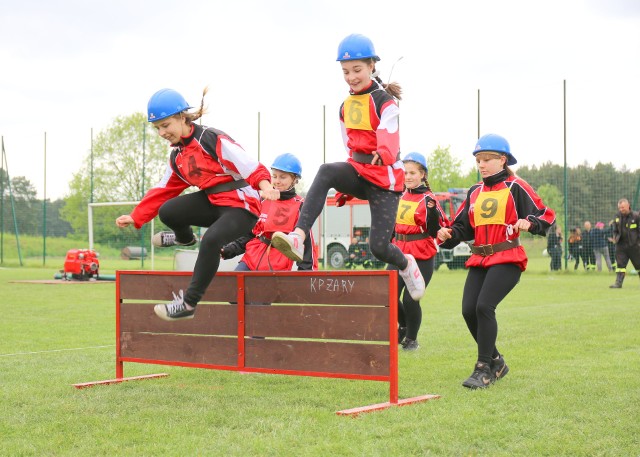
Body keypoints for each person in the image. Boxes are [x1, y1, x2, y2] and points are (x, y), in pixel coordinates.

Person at [269, 33, 426, 301]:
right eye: (345, 71)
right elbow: (350, 149)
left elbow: (389, 134)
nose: (351, 76)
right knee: (327, 170)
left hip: (385, 181)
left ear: (371, 67)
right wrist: (346, 185)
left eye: (357, 70)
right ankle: (298, 236)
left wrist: (384, 151)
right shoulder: (345, 107)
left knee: (378, 247)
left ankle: (406, 264)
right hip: (361, 172)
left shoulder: (385, 102)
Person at [115, 88, 278, 321]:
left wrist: (264, 185)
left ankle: (189, 304)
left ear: (183, 117)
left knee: (212, 239)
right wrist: (136, 215)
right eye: (157, 128)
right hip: (213, 201)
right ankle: (184, 238)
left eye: (165, 125)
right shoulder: (177, 157)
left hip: (242, 204)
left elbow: (246, 163)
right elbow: (163, 189)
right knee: (168, 211)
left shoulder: (209, 138)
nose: (162, 132)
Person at [437, 133, 555, 389]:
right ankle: (497, 361)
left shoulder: (516, 187)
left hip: (508, 257)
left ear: (502, 160)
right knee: (469, 310)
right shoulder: (474, 191)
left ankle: (484, 370)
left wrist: (531, 222)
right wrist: (448, 235)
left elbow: (546, 214)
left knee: (484, 307)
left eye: (487, 159)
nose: (481, 164)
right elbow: (461, 227)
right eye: (478, 159)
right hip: (480, 258)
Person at [390, 152, 449, 351]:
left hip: (421, 253)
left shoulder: (429, 199)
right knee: (386, 294)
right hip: (398, 251)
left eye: (412, 173)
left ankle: (411, 340)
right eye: (405, 172)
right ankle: (404, 326)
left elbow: (440, 227)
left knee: (410, 297)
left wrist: (435, 221)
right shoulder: (398, 195)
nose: (408, 176)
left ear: (422, 174)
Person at [220, 153, 317, 272]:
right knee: (233, 285)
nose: (277, 181)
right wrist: (228, 250)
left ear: (295, 179)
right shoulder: (262, 200)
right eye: (274, 176)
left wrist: (305, 274)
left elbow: (306, 242)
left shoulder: (301, 205)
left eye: (283, 177)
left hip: (278, 265)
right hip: (250, 259)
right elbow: (250, 234)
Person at [609, 198, 640, 288]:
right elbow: (615, 229)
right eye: (619, 208)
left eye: (623, 207)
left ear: (628, 205)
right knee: (620, 265)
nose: (621, 209)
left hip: (634, 245)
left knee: (638, 265)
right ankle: (618, 283)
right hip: (621, 245)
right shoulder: (617, 216)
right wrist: (615, 237)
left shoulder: (636, 216)